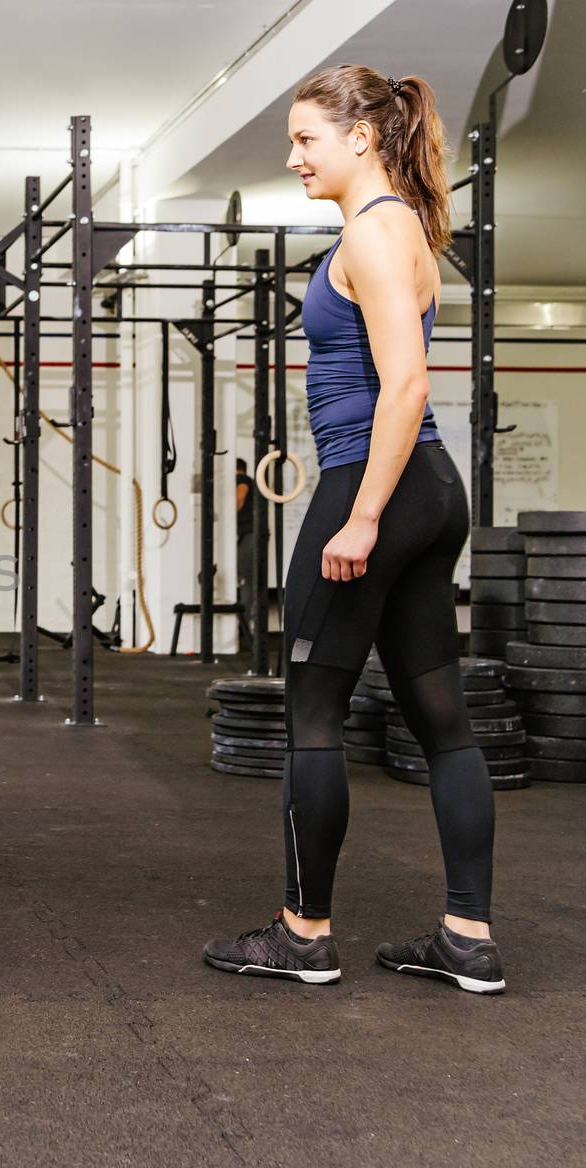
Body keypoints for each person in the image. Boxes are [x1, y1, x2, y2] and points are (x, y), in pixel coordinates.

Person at [203, 67, 503, 994]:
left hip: (379, 485)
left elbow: (405, 385)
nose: (293, 157)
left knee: (312, 714)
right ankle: (467, 937)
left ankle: (304, 934)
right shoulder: (400, 227)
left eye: (306, 140)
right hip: (432, 489)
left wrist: (362, 515)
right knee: (442, 721)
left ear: (361, 137)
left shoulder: (375, 233)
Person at [235, 457, 255, 649]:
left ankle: (244, 625)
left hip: (250, 535)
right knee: (246, 579)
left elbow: (239, 499)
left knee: (246, 579)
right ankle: (244, 622)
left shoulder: (242, 481)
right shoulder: (248, 481)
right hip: (247, 535)